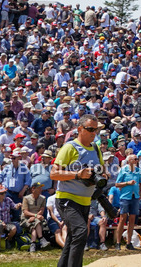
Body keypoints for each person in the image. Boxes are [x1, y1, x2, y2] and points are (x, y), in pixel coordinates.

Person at [50, 114, 104, 267]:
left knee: (72, 238)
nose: (94, 132)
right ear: (80, 129)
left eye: (96, 129)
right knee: (81, 232)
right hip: (67, 199)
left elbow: (103, 171)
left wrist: (101, 174)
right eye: (90, 129)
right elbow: (54, 174)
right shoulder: (70, 147)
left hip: (85, 201)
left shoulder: (95, 148)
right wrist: (78, 174)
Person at [113, 153, 141, 249]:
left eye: (137, 159)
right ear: (129, 160)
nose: (136, 160)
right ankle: (118, 242)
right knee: (122, 218)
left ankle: (129, 242)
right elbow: (117, 184)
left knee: (132, 219)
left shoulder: (138, 171)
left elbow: (140, 183)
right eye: (135, 159)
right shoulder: (123, 170)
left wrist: (140, 192)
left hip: (135, 196)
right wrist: (127, 183)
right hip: (125, 196)